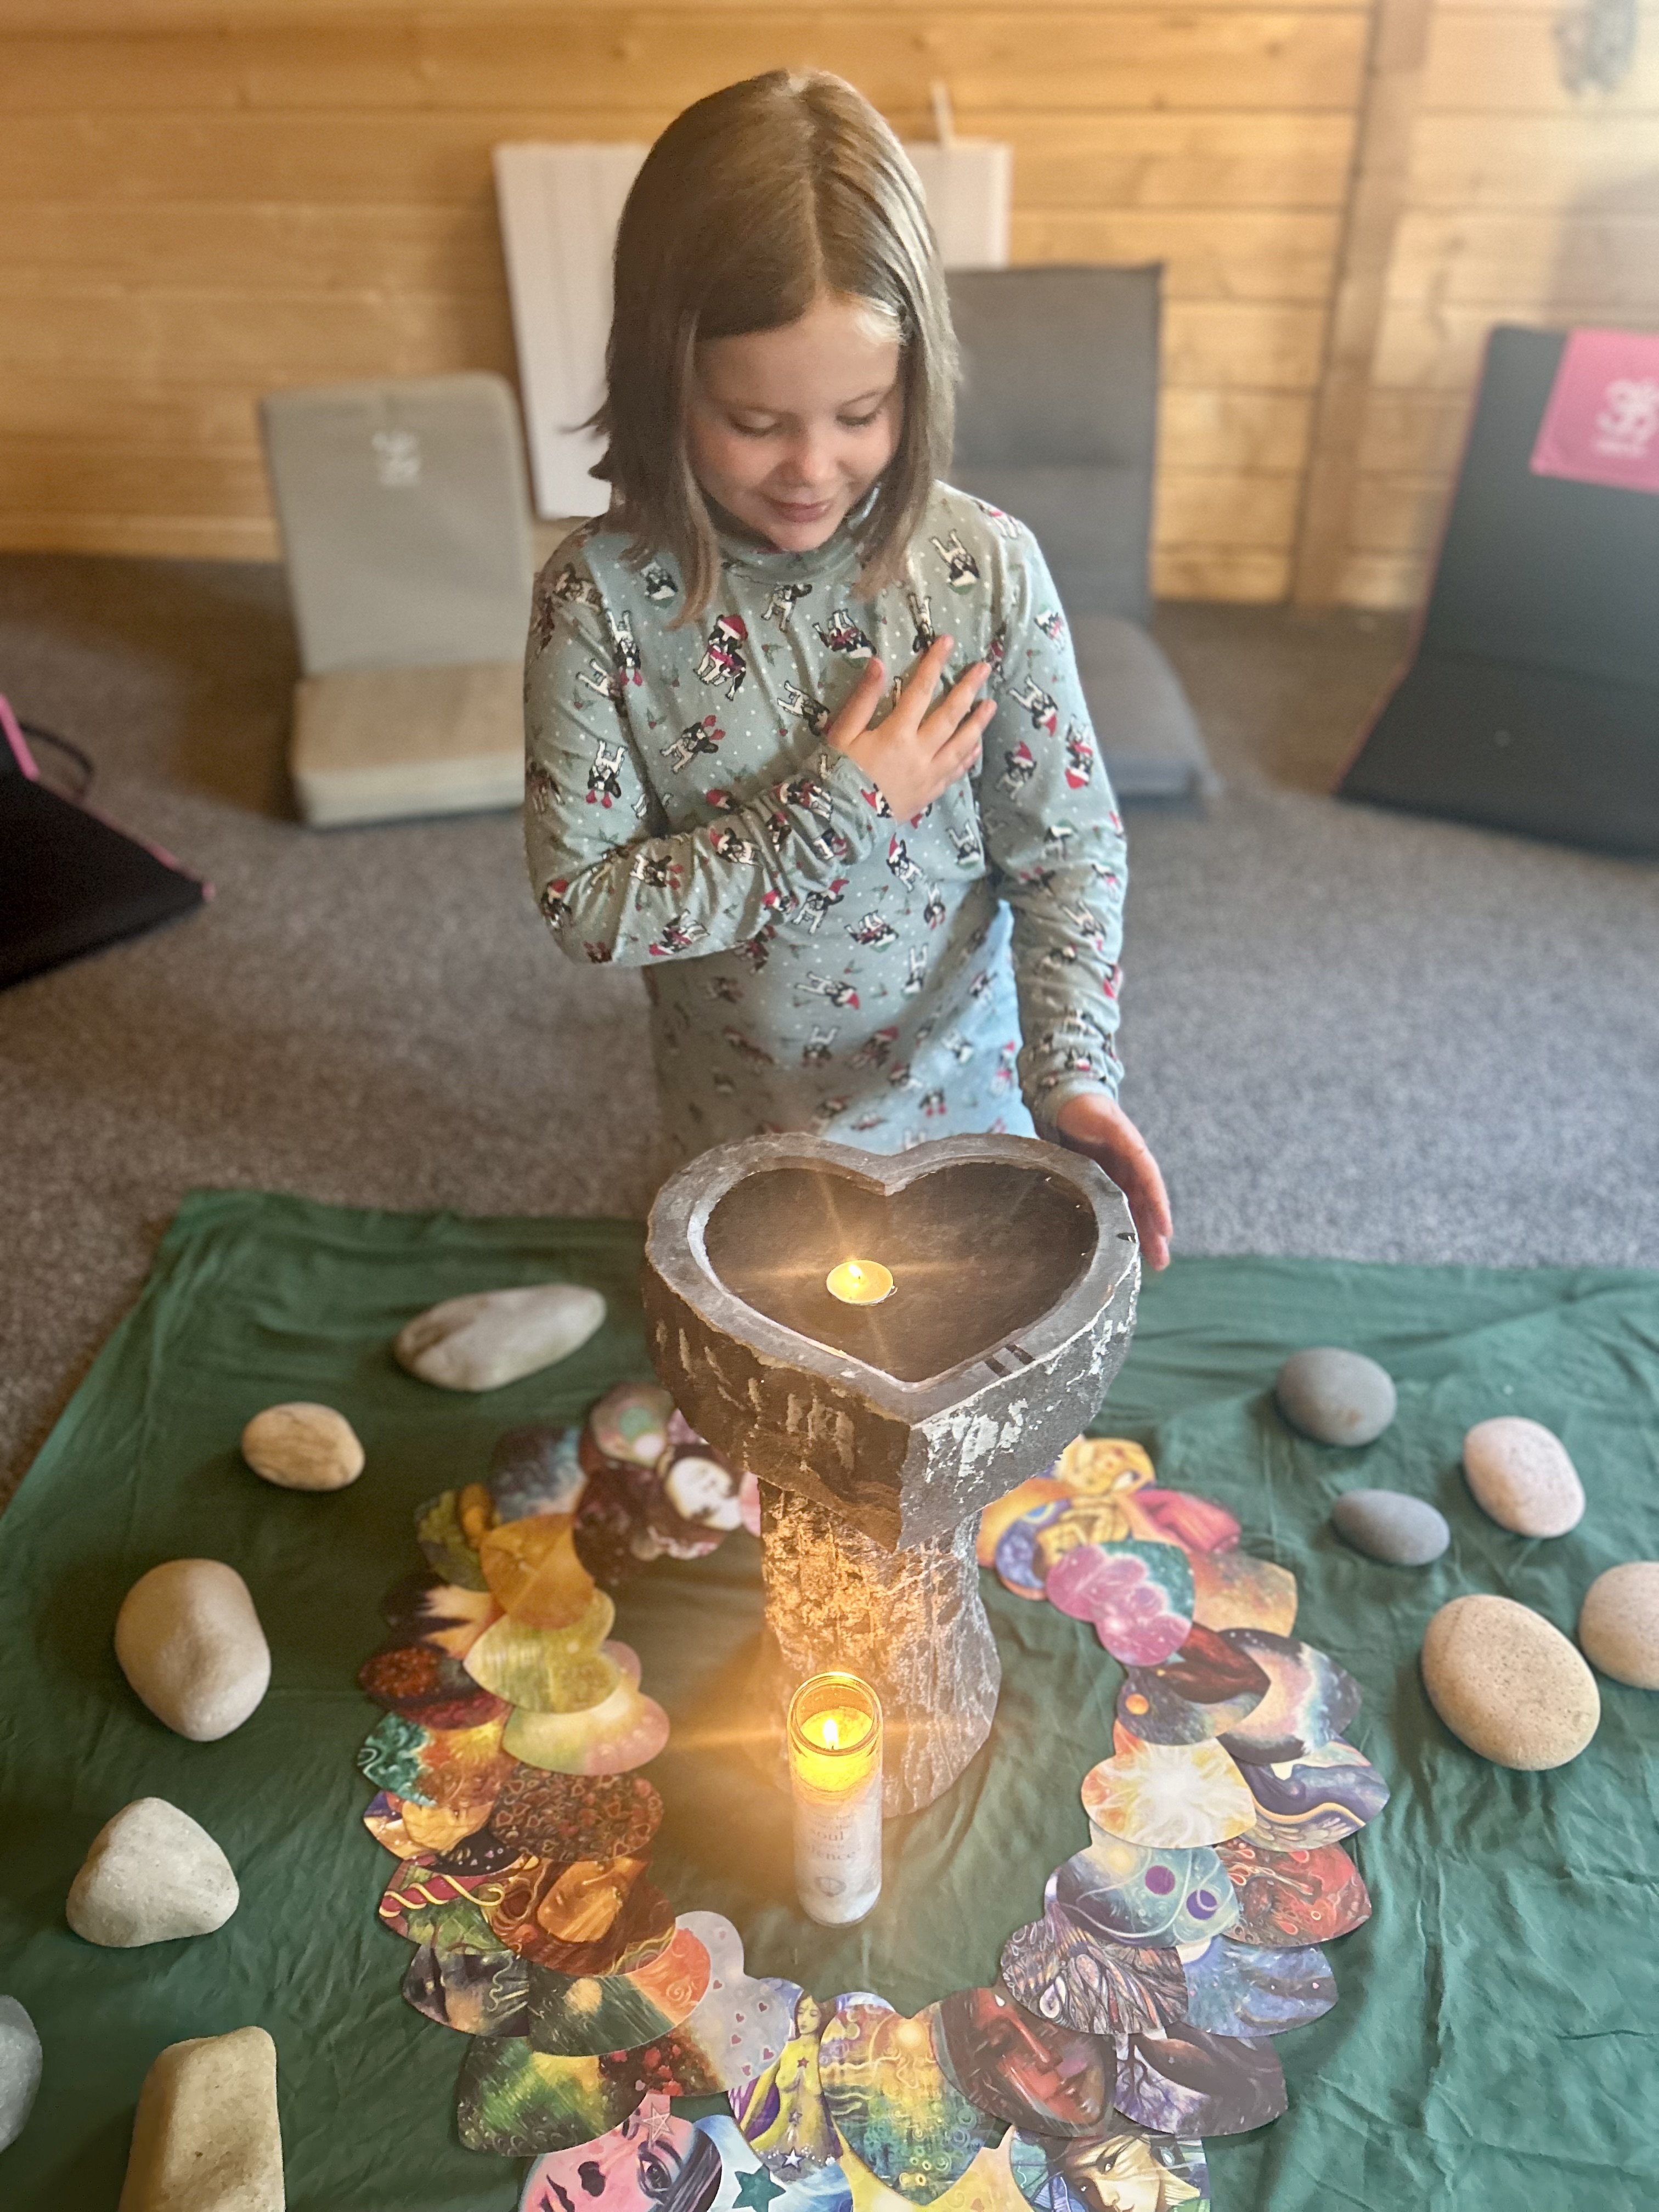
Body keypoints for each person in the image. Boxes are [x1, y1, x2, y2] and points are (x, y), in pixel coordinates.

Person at [524, 70, 1170, 1268]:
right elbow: (586, 906)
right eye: (755, 424)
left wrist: (1074, 1070)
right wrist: (840, 811)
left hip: (964, 1110)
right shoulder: (599, 599)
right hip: (736, 1130)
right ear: (664, 379)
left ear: (916, 379)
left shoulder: (984, 568)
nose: (812, 470)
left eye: (861, 413)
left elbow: (1068, 848)